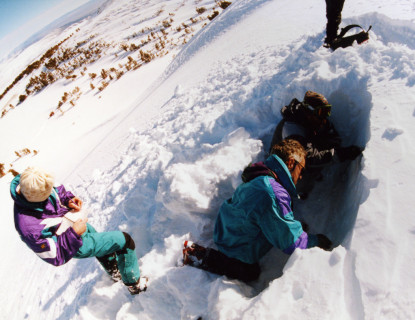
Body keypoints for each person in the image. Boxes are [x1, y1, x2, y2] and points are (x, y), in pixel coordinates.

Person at [182, 139, 332, 282]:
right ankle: (201, 256)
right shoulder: (273, 192)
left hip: (226, 229)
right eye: (302, 169)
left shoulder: (262, 176)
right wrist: (316, 241)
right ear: (291, 162)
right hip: (235, 246)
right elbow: (291, 243)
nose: (300, 176)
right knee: (250, 272)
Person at [10, 166, 147, 295]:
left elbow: (59, 192)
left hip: (75, 223)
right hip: (72, 243)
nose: (50, 194)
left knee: (103, 247)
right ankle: (134, 285)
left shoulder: (38, 179)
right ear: (33, 199)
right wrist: (73, 233)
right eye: (45, 198)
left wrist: (68, 199)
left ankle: (116, 273)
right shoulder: (27, 225)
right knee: (124, 241)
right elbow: (54, 255)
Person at [269, 91, 362, 198]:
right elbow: (306, 156)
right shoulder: (291, 128)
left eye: (326, 112)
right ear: (309, 111)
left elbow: (333, 139)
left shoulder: (311, 120)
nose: (324, 117)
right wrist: (339, 154)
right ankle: (294, 191)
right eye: (321, 112)